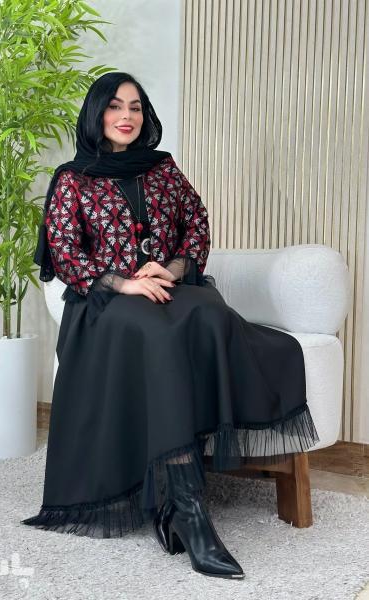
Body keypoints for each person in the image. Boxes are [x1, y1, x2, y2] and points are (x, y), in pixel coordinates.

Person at [21, 72, 320, 579]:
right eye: (115, 106)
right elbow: (65, 252)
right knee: (157, 333)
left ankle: (173, 501)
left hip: (166, 288)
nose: (126, 116)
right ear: (96, 114)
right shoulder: (73, 178)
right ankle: (188, 509)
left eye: (135, 107)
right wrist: (123, 283)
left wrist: (174, 268)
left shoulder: (163, 169)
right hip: (105, 305)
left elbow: (196, 221)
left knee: (208, 312)